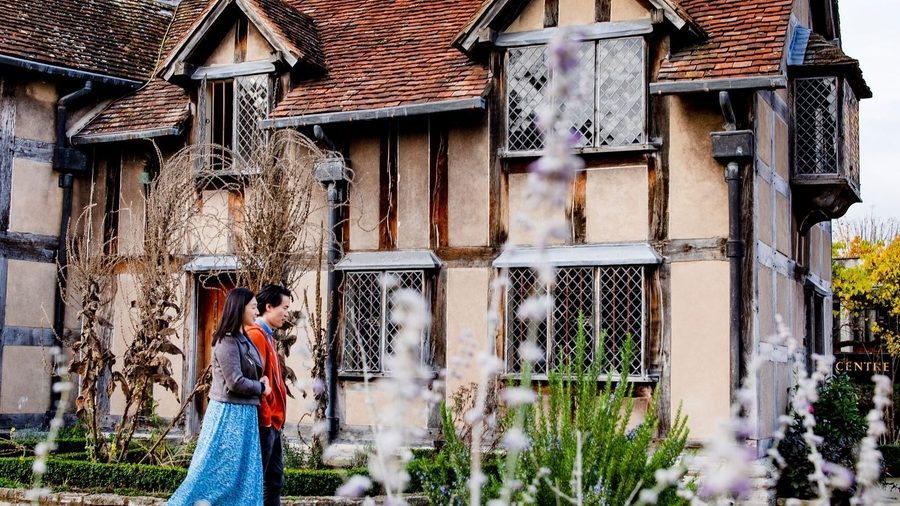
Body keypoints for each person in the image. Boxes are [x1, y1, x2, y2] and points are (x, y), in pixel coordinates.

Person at [168, 287, 272, 506]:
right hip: (229, 414)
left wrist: (260, 382)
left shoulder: (245, 338)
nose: (257, 311)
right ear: (239, 309)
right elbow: (235, 381)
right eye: (253, 307)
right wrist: (261, 388)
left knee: (242, 473)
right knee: (213, 471)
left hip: (245, 415)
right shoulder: (226, 341)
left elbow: (254, 370)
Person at [246, 285, 291, 506]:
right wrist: (266, 418)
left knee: (274, 480)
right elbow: (255, 380)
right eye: (284, 307)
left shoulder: (268, 336)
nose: (287, 313)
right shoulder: (256, 335)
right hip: (266, 421)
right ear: (269, 307)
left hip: (273, 421)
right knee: (260, 480)